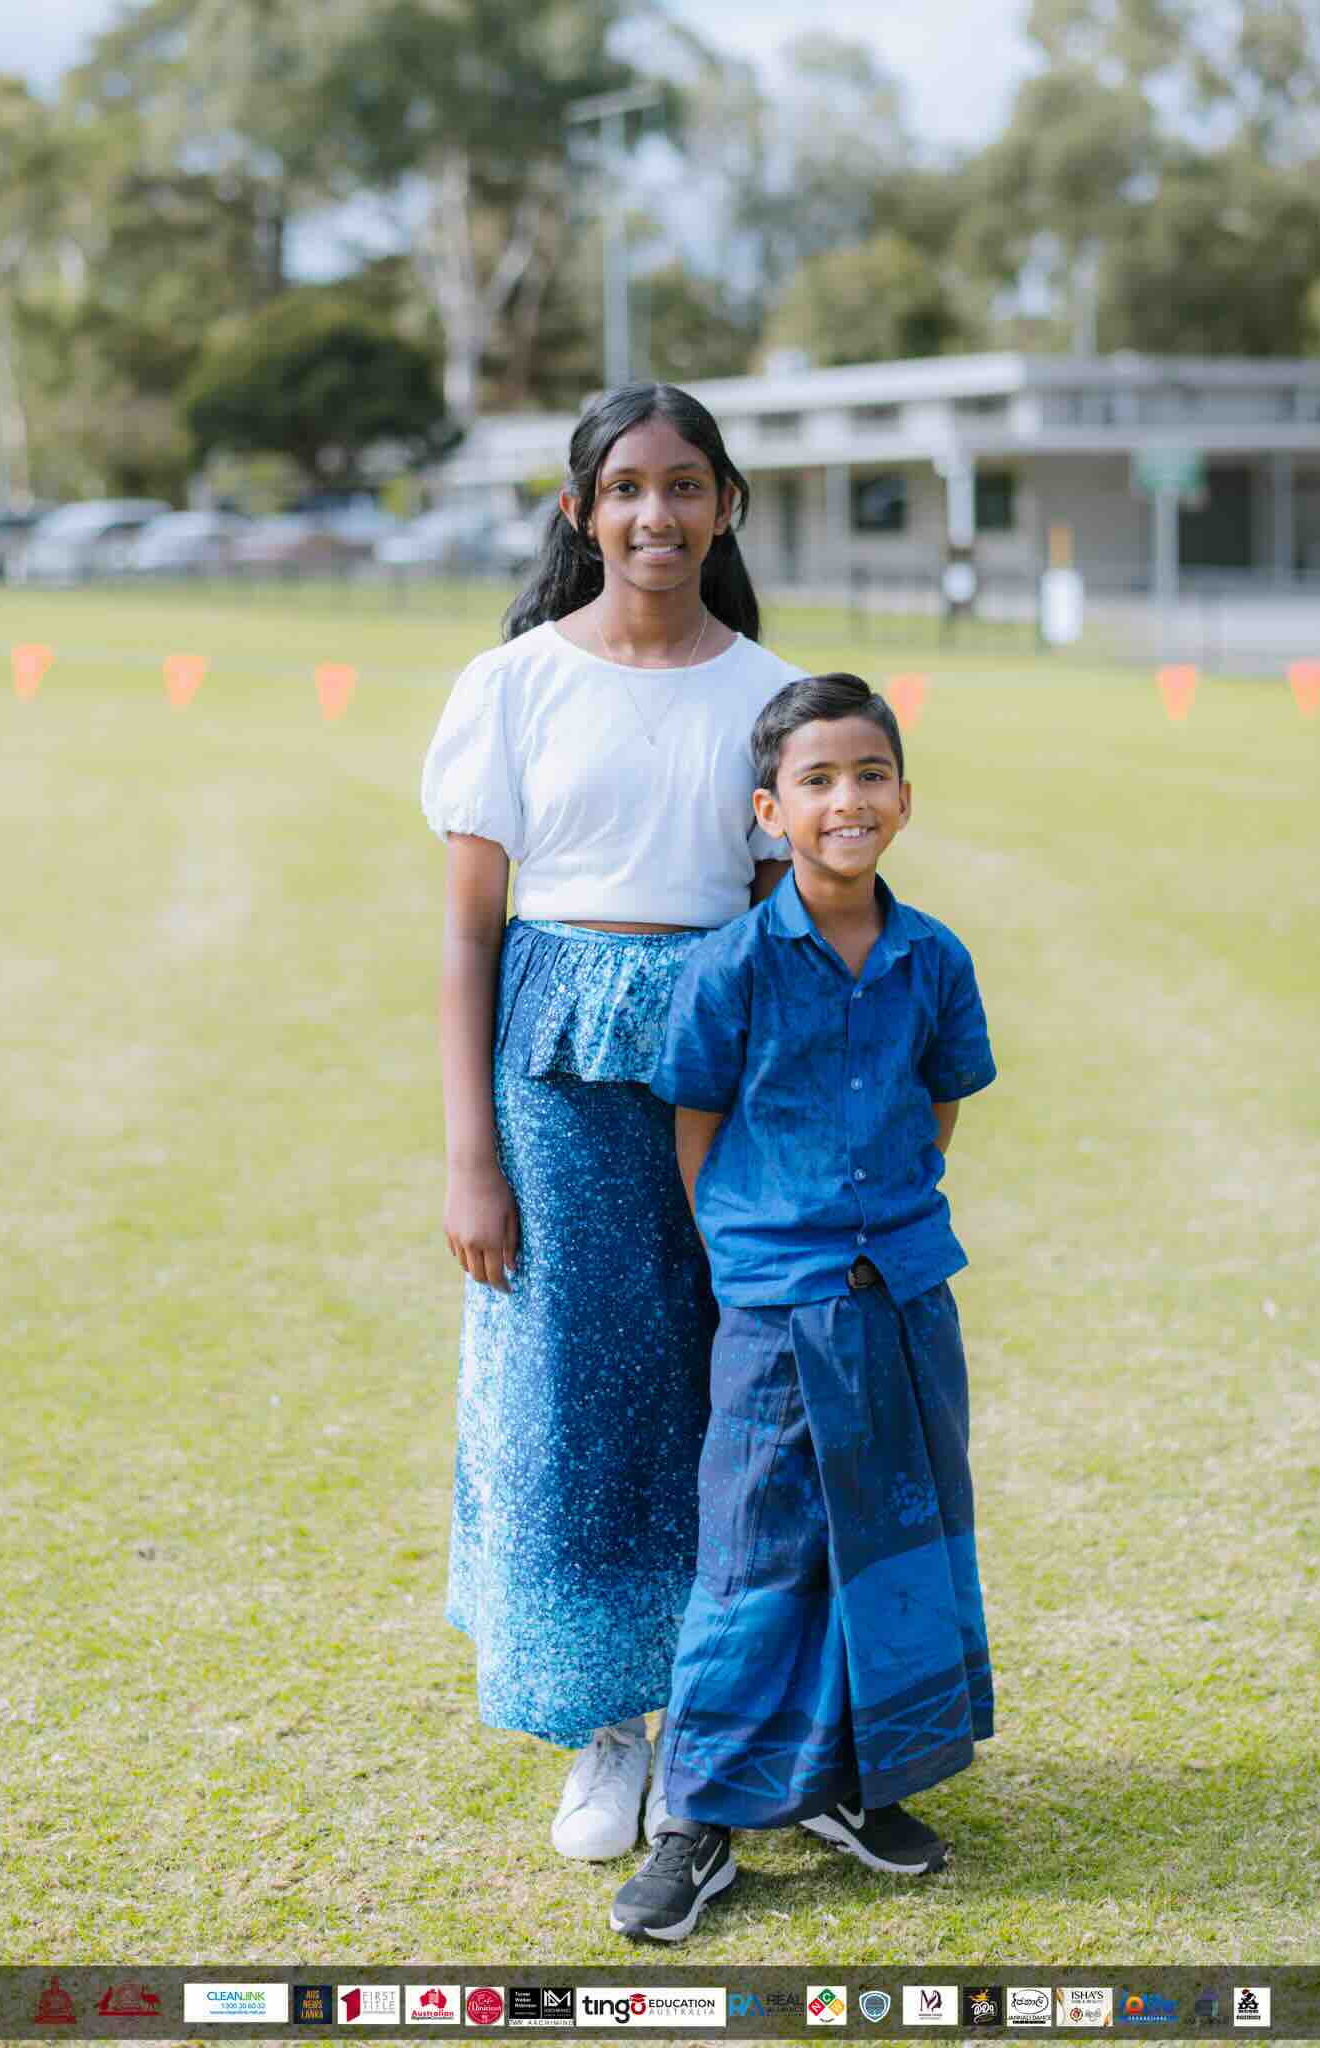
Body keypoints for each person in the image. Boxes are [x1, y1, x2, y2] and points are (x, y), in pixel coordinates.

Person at [420, 382, 806, 1862]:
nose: (659, 514)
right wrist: (472, 1160)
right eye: (628, 487)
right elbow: (469, 939)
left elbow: (788, 931)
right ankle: (606, 1732)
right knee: (578, 1399)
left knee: (729, 1385)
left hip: (720, 1071)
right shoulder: (511, 684)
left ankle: (727, 1719)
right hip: (556, 1079)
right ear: (582, 510)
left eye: (687, 485)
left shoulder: (771, 696)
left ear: (725, 506)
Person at [609, 671, 997, 1943]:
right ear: (771, 809)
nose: (848, 799)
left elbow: (936, 1109)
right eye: (818, 781)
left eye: (870, 774)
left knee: (888, 1538)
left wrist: (880, 1220)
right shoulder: (730, 967)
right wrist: (759, 1255)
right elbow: (697, 1128)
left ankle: (851, 1779)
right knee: (756, 1554)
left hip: (903, 1289)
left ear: (904, 796)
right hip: (778, 1302)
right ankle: (698, 1824)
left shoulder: (935, 958)